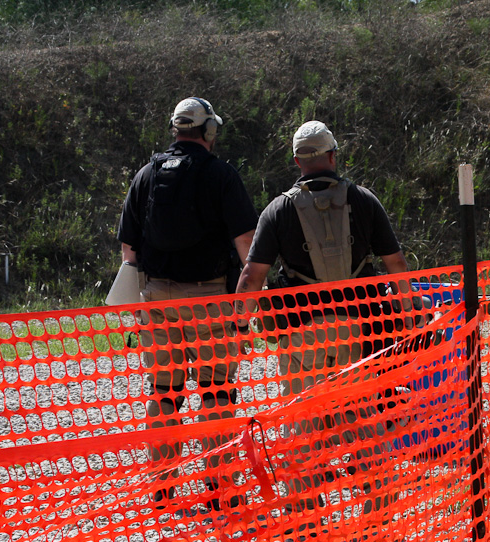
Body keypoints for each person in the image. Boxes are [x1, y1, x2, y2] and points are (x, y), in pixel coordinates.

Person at [117, 96, 258, 509]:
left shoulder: (146, 175)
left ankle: (162, 488)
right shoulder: (221, 175)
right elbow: (246, 243)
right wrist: (246, 307)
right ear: (209, 130)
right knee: (217, 391)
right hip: (210, 298)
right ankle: (219, 489)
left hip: (155, 298)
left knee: (163, 392)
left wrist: (142, 298)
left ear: (175, 129)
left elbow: (129, 250)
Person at [236, 120, 410, 392]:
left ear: (297, 161)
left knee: (303, 413)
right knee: (358, 410)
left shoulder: (277, 210)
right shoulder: (364, 200)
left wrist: (241, 325)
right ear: (332, 156)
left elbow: (252, 276)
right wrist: (408, 313)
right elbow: (395, 263)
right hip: (360, 328)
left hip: (300, 331)